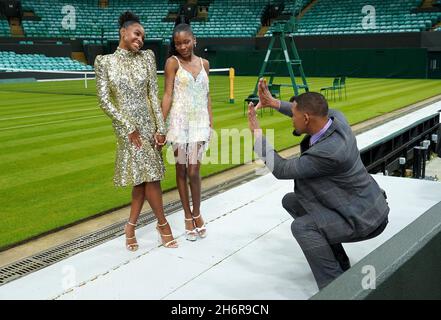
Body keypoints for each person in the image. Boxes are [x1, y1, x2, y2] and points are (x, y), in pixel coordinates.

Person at [247, 79, 389, 290]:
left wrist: (257, 133)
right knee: (292, 201)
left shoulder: (329, 152)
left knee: (303, 227)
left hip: (365, 218)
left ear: (306, 118)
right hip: (357, 201)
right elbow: (311, 110)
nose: (291, 119)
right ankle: (340, 263)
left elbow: (281, 170)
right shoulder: (336, 118)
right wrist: (274, 103)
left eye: (294, 116)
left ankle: (334, 289)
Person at [95, 11, 178, 251]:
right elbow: (104, 100)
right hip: (126, 129)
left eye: (143, 36)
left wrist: (160, 128)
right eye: (137, 33)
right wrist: (128, 126)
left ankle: (130, 227)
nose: (140, 39)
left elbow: (153, 94)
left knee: (143, 180)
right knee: (151, 176)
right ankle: (163, 225)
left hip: (150, 126)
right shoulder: (105, 62)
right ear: (123, 32)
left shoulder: (147, 58)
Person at [162, 23, 213, 241]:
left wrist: (210, 120)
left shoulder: (205, 64)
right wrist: (159, 124)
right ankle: (187, 216)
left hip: (200, 122)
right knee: (181, 170)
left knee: (194, 170)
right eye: (178, 43)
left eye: (186, 41)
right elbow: (167, 95)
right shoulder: (172, 63)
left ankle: (198, 212)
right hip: (178, 122)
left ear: (194, 40)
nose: (182, 46)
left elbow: (207, 95)